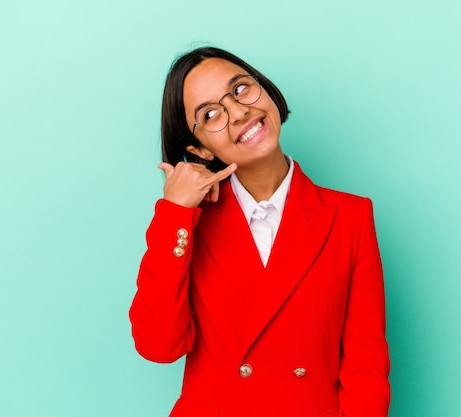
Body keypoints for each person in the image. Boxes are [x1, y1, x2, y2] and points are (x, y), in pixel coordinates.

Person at [129, 46, 390, 417]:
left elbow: (366, 368)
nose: (238, 112)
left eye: (240, 90)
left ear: (265, 89)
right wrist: (174, 214)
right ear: (198, 149)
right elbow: (159, 346)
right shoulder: (187, 226)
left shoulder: (350, 216)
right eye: (211, 114)